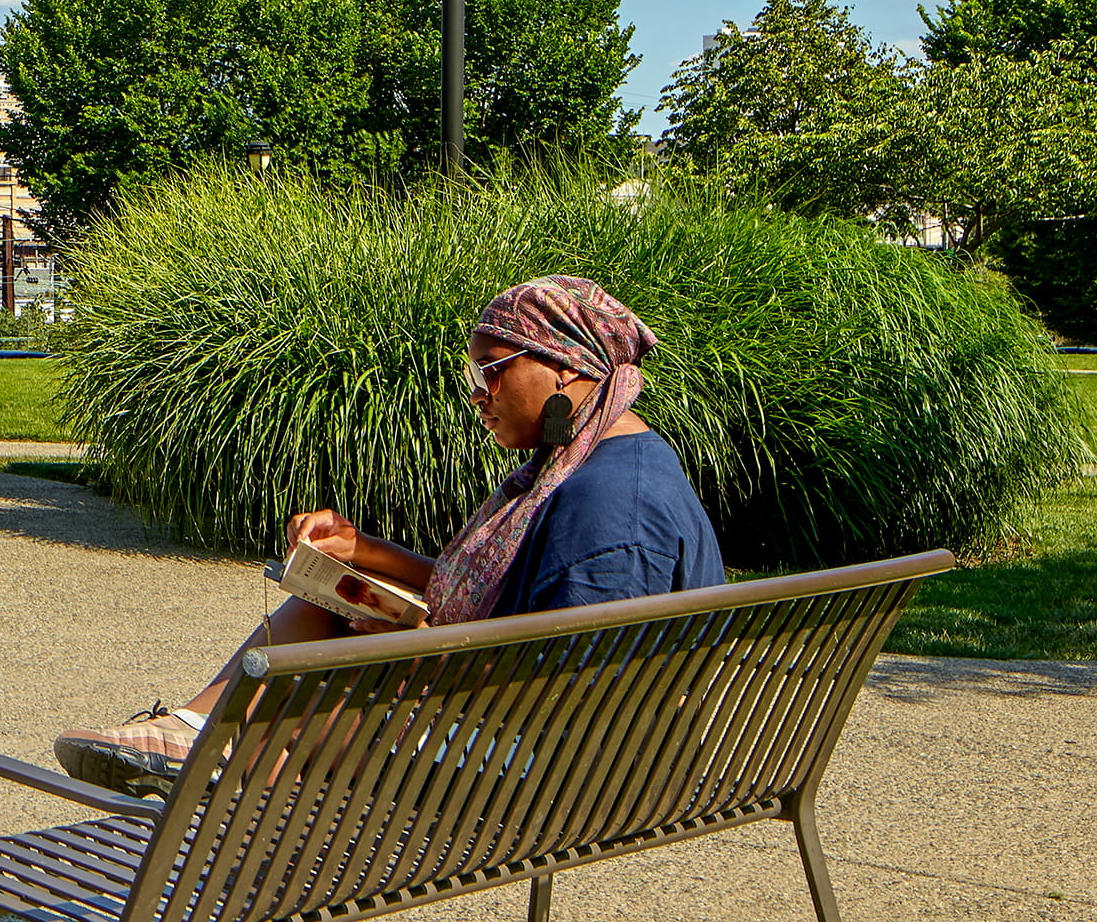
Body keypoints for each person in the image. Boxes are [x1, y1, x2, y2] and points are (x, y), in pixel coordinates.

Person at [52, 275, 726, 796]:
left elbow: (579, 690)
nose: (478, 393)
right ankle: (196, 733)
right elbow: (515, 608)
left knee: (301, 717)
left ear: (566, 369)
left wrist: (422, 651)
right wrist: (360, 552)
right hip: (556, 741)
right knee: (325, 605)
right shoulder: (590, 462)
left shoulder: (611, 507)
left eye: (493, 369)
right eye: (475, 374)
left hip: (573, 775)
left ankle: (206, 760)